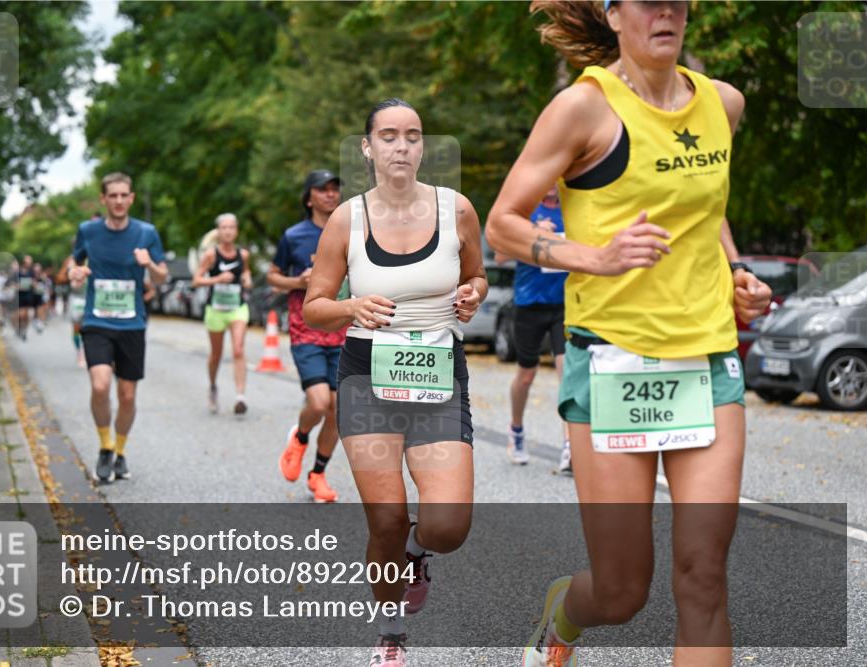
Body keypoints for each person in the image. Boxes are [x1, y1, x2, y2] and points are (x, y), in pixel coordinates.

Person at [485, 3, 772, 666]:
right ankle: (563, 615)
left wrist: (736, 273)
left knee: (703, 574)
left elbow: (707, 207)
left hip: (705, 359)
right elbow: (504, 221)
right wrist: (595, 256)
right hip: (612, 359)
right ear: (615, 15)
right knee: (621, 590)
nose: (665, 9)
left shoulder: (723, 104)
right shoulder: (583, 109)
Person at [304, 98, 487, 667]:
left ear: (422, 146)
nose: (401, 146)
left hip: (438, 374)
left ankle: (418, 550)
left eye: (412, 136)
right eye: (388, 136)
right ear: (369, 148)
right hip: (367, 376)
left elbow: (477, 274)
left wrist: (472, 295)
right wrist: (352, 306)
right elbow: (315, 307)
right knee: (384, 518)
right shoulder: (347, 219)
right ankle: (390, 634)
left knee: (448, 525)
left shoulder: (456, 209)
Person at [69, 172, 168, 484]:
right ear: (104, 199)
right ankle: (105, 447)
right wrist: (77, 274)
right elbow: (75, 264)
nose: (119, 201)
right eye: (113, 195)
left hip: (132, 324)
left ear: (132, 198)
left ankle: (121, 452)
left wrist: (149, 265)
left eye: (124, 195)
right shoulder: (88, 231)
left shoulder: (146, 233)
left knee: (126, 395)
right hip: (97, 321)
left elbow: (163, 276)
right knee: (100, 386)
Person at [268, 170, 347, 503]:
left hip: (344, 329)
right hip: (307, 329)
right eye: (323, 189)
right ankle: (300, 438)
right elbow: (273, 277)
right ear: (309, 197)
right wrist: (297, 283)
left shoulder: (352, 231)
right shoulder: (294, 236)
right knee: (319, 401)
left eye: (334, 189)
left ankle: (318, 474)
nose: (330, 195)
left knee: (340, 409)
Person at [496, 185, 571, 471]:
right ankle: (516, 430)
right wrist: (531, 232)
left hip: (564, 305)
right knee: (527, 375)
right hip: (529, 305)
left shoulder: (572, 209)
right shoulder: (525, 211)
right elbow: (501, 256)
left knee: (567, 371)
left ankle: (569, 446)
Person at [192, 213, 252, 415]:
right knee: (216, 354)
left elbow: (245, 272)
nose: (227, 231)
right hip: (216, 309)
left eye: (231, 227)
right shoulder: (210, 255)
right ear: (218, 232)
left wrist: (247, 279)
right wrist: (216, 279)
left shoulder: (243, 255)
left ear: (236, 231)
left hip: (237, 307)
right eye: (224, 227)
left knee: (238, 349)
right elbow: (196, 280)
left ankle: (240, 396)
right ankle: (212, 386)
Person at [59, 242, 87, 367]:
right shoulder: (70, 260)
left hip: (91, 297)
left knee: (91, 327)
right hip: (76, 298)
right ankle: (79, 352)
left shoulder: (93, 257)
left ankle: (89, 352)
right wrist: (70, 274)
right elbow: (59, 278)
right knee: (76, 328)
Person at [13, 255, 36, 340]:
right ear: (24, 262)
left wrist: (32, 283)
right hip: (19, 295)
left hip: (28, 295)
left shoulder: (31, 272)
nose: (29, 264)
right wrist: (18, 286)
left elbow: (34, 282)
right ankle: (18, 327)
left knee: (25, 315)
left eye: (30, 262)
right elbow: (13, 283)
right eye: (28, 262)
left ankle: (24, 330)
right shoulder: (18, 272)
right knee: (20, 315)